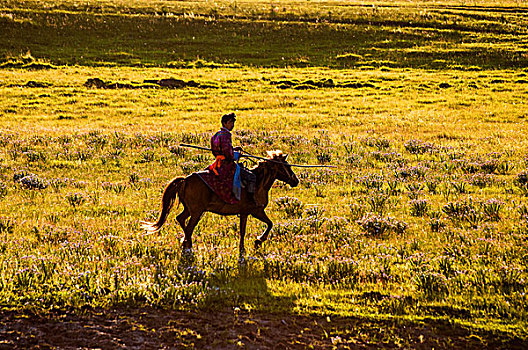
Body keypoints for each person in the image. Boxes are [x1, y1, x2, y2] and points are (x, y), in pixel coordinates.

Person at [198, 112, 257, 205]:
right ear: (224, 123)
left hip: (218, 163)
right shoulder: (226, 135)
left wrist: (233, 149)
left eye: (233, 123)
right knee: (252, 177)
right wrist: (236, 154)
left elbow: (220, 151)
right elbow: (228, 155)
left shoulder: (216, 135)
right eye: (230, 122)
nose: (232, 125)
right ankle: (250, 202)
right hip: (227, 165)